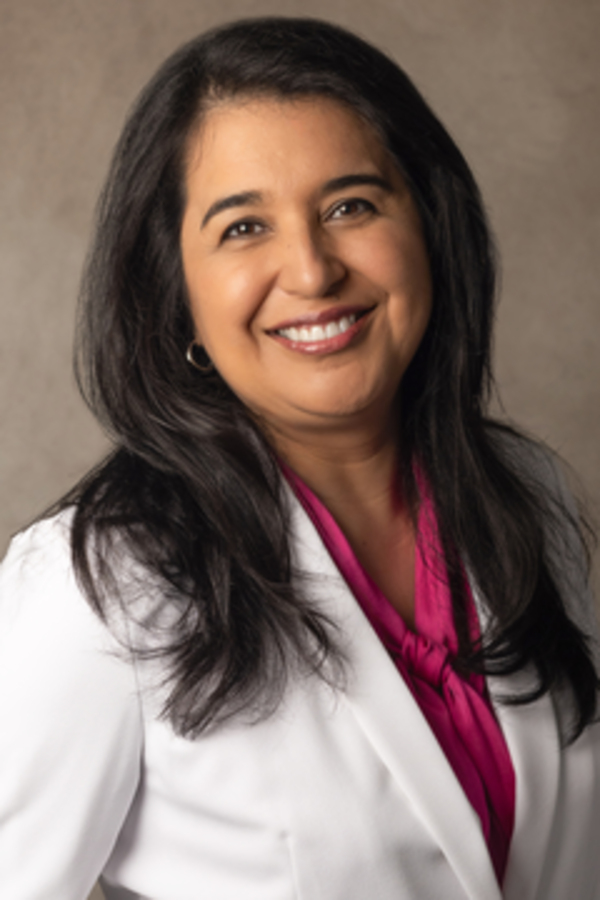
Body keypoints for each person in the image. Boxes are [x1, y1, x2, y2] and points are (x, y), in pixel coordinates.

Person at [0, 16, 598, 900]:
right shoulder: (97, 587)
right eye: (244, 227)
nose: (313, 272)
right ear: (177, 290)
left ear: (430, 226)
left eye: (350, 206)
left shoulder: (528, 498)